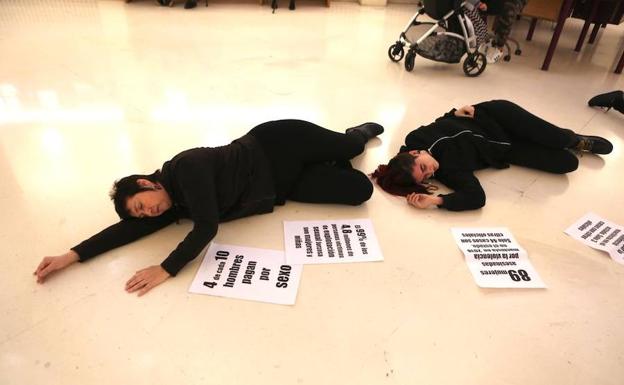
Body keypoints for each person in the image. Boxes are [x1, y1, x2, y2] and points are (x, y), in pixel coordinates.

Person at [34, 120, 383, 295]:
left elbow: (206, 226)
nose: (149, 213)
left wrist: (168, 268)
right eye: (142, 214)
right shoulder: (169, 204)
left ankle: (351, 135)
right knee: (360, 190)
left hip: (280, 143)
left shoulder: (186, 168)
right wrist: (72, 255)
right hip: (282, 187)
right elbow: (126, 229)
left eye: (143, 205)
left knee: (350, 148)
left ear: (146, 183)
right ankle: (328, 166)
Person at [371, 100, 612, 211]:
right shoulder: (449, 172)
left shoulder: (415, 138)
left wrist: (454, 111)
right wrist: (437, 201)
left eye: (423, 167)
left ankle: (576, 140)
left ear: (415, 153)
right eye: (425, 178)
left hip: (493, 116)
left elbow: (442, 122)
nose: (431, 172)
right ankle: (555, 139)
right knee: (566, 163)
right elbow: (476, 197)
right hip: (506, 147)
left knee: (558, 140)